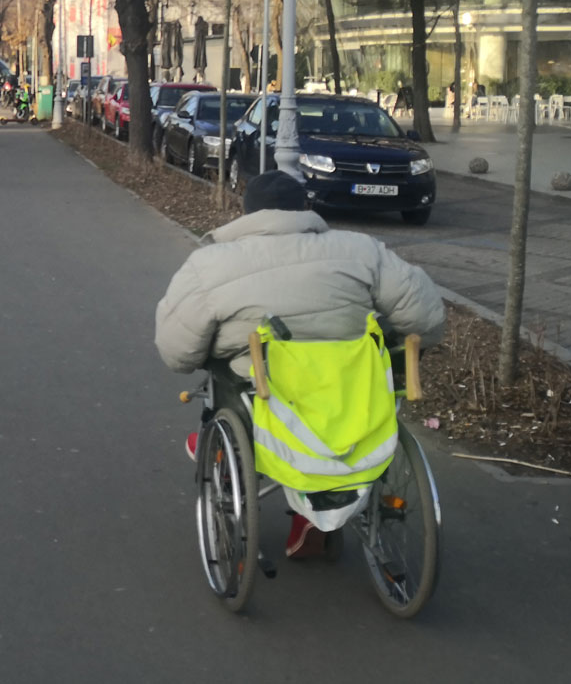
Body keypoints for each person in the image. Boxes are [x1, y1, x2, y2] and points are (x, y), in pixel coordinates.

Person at [154, 171, 444, 558]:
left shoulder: (209, 264)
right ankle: (313, 512)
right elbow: (425, 318)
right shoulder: (361, 250)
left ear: (246, 212)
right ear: (304, 209)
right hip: (351, 392)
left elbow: (178, 352)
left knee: (228, 378)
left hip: (268, 397)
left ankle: (229, 461)